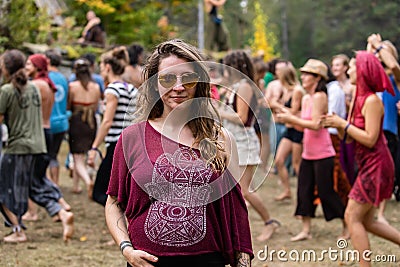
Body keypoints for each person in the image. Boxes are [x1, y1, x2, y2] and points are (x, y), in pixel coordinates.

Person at [105, 39, 253, 267]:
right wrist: (127, 249)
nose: (178, 87)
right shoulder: (132, 138)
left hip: (207, 261)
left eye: (188, 79)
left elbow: (235, 211)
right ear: (154, 83)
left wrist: (242, 263)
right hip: (147, 262)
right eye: (167, 78)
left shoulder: (220, 138)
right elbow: (114, 202)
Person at [321, 51, 400, 267]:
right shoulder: (359, 96)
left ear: (363, 71)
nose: (348, 70)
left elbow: (371, 139)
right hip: (367, 164)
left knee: (352, 217)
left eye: (353, 67)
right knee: (368, 221)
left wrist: (342, 124)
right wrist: (336, 124)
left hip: (377, 165)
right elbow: (352, 132)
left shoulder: (373, 101)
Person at [0, 50, 74, 243]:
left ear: (6, 68)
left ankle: (18, 231)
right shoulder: (32, 87)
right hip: (38, 144)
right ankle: (60, 211)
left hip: (18, 147)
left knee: (7, 189)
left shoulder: (8, 90)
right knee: (34, 185)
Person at [278, 59, 345, 242]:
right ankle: (306, 230)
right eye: (304, 73)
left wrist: (290, 119)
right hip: (308, 152)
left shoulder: (320, 96)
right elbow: (302, 126)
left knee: (326, 192)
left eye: (307, 74)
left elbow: (315, 125)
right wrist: (285, 115)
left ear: (317, 78)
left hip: (323, 153)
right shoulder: (307, 98)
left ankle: (347, 225)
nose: (303, 76)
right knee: (303, 191)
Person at [219, 50, 280, 242]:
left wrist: (220, 112)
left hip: (244, 142)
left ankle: (270, 222)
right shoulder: (235, 86)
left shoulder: (245, 86)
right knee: (232, 188)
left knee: (245, 190)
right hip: (233, 141)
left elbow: (242, 118)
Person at [87, 46, 138, 207]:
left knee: (100, 192)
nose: (101, 72)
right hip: (132, 143)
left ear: (107, 67)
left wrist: (94, 147)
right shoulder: (131, 89)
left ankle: (122, 222)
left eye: (101, 68)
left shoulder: (112, 90)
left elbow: (107, 121)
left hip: (116, 144)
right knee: (120, 189)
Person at [270, 65, 304, 201]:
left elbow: (293, 112)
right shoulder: (286, 91)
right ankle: (287, 190)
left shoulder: (297, 91)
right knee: (279, 160)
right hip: (289, 129)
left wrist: (277, 105)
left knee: (297, 164)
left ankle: (305, 194)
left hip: (297, 130)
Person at [68, 58, 101, 197]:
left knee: (77, 157)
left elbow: (69, 106)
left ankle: (88, 181)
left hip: (77, 121)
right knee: (87, 153)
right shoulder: (96, 87)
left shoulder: (72, 86)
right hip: (91, 122)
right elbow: (96, 106)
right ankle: (76, 186)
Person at [45, 49, 70, 186]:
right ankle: (55, 183)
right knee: (54, 155)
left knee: (46, 156)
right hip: (62, 121)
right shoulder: (63, 79)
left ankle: (47, 184)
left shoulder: (46, 77)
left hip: (49, 122)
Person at [331, 54, 357, 186]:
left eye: (337, 65)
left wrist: (344, 100)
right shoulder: (332, 85)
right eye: (333, 65)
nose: (334, 68)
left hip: (348, 122)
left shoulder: (351, 85)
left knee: (349, 155)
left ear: (345, 67)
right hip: (334, 124)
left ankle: (351, 183)